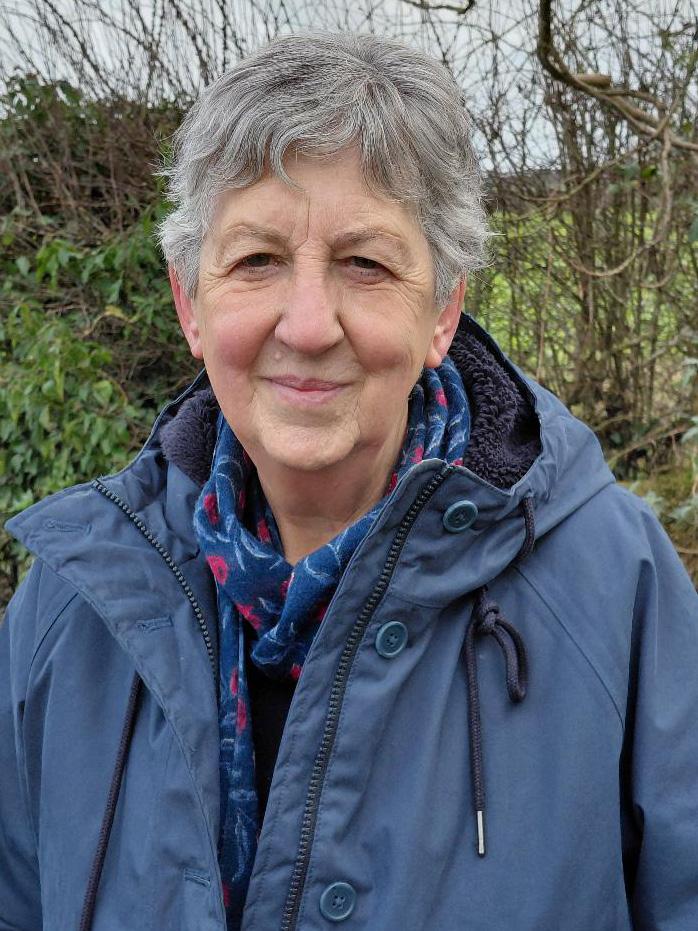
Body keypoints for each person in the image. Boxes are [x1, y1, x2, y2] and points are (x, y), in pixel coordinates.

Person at [1, 28, 697, 931]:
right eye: (256, 260)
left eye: (365, 262)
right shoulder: (71, 606)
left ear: (443, 310)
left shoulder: (614, 587)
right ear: (190, 304)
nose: (307, 323)